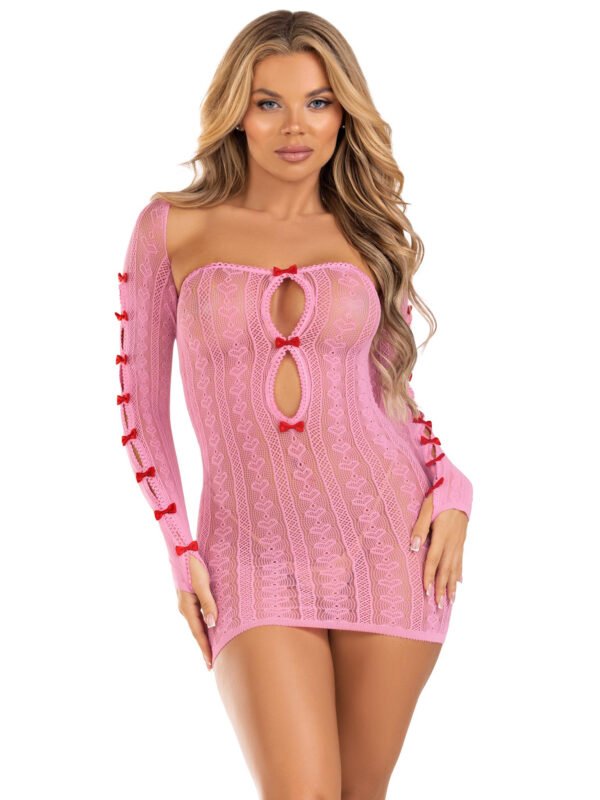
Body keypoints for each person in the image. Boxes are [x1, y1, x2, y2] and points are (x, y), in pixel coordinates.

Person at [115, 10, 473, 799]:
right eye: (268, 103)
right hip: (248, 553)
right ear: (236, 111)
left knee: (358, 794)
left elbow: (393, 394)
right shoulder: (172, 228)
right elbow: (139, 406)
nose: (294, 126)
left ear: (344, 111)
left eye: (317, 101)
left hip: (391, 541)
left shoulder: (367, 234)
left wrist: (454, 486)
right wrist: (179, 547)